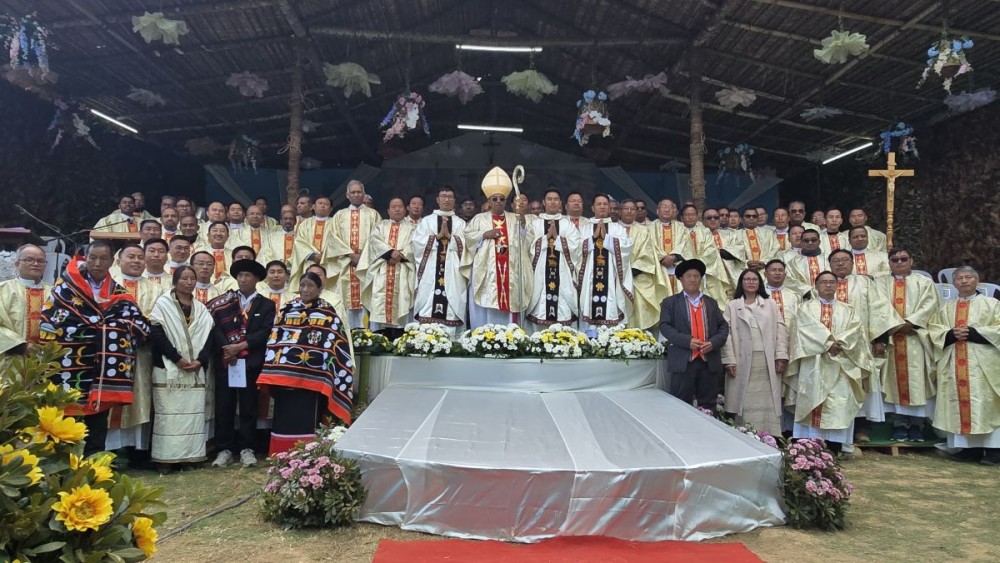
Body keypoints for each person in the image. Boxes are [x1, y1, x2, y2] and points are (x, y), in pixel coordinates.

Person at [40, 242, 151, 456]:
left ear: (111, 262)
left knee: (97, 418)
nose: (97, 263)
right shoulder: (64, 288)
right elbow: (50, 321)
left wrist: (110, 328)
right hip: (69, 365)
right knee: (67, 415)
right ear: (85, 258)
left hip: (102, 369)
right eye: (93, 258)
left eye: (103, 258)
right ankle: (65, 463)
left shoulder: (119, 293)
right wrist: (100, 327)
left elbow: (139, 324)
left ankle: (94, 463)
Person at [258, 272, 355, 455]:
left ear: (320, 289)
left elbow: (335, 345)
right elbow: (275, 340)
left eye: (310, 286)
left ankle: (307, 454)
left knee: (307, 417)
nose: (305, 289)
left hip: (313, 379)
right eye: (302, 285)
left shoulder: (328, 313)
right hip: (284, 377)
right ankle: (281, 453)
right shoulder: (287, 309)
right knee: (284, 418)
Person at [785, 271, 871, 453]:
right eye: (824, 282)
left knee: (838, 402)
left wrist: (840, 344)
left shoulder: (848, 310)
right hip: (813, 363)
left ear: (837, 285)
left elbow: (855, 330)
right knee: (812, 399)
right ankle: (806, 447)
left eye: (832, 282)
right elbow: (803, 330)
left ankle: (834, 446)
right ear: (816, 286)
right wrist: (827, 344)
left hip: (841, 361)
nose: (828, 285)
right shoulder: (805, 308)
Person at [208, 259, 276, 468]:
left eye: (248, 276)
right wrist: (228, 349)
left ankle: (248, 448)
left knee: (248, 407)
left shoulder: (266, 304)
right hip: (227, 361)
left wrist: (242, 345)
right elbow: (215, 327)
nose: (243, 279)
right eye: (240, 276)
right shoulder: (225, 302)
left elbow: (265, 332)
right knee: (224, 406)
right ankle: (224, 449)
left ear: (256, 279)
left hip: (251, 363)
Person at [930, 266, 1000, 465]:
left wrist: (975, 333)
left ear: (977, 280)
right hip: (955, 360)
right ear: (954, 283)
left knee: (987, 404)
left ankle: (995, 450)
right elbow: (934, 330)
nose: (964, 281)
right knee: (959, 403)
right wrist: (950, 334)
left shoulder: (992, 304)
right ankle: (970, 449)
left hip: (984, 363)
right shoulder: (946, 308)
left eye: (968, 277)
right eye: (959, 278)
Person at [147, 265, 215, 469]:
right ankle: (165, 459)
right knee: (168, 417)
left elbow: (210, 337)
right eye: (184, 278)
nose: (189, 282)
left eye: (192, 278)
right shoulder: (163, 305)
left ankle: (189, 457)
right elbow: (156, 335)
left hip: (195, 369)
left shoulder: (201, 308)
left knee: (192, 416)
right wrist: (177, 358)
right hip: (169, 368)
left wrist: (200, 361)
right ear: (175, 281)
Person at [875, 247, 941, 441]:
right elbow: (879, 307)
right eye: (894, 260)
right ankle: (900, 424)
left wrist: (911, 322)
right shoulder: (880, 284)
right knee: (893, 383)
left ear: (911, 261)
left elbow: (930, 306)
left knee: (917, 381)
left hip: (916, 338)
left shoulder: (925, 283)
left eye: (904, 259)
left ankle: (917, 426)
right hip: (891, 339)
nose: (899, 262)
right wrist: (895, 326)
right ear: (889, 263)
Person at [106, 243, 164, 454]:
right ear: (118, 260)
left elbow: (158, 317)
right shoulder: (108, 285)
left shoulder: (156, 288)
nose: (136, 261)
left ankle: (138, 450)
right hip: (111, 354)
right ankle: (110, 449)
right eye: (131, 256)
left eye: (140, 257)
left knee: (140, 398)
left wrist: (137, 331)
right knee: (111, 398)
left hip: (142, 352)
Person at [721, 269, 788, 435]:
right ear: (741, 283)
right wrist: (729, 360)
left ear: (759, 283)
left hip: (766, 359)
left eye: (754, 279)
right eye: (747, 279)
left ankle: (770, 436)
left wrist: (780, 356)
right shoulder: (733, 305)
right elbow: (726, 335)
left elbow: (780, 330)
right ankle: (746, 434)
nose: (751, 282)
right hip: (741, 359)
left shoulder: (770, 304)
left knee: (768, 400)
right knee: (745, 399)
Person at [464, 170, 534, 329]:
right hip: (488, 274)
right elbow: (468, 238)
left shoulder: (514, 218)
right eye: (494, 199)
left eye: (501, 199)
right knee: (487, 310)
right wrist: (484, 235)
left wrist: (522, 220)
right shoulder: (479, 219)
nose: (498, 202)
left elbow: (527, 240)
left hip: (511, 274)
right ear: (488, 201)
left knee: (509, 310)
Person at [659, 259, 729, 410]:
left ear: (701, 279)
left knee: (709, 405)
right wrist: (687, 341)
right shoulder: (670, 302)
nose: (692, 279)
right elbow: (665, 326)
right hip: (684, 361)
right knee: (680, 404)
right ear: (681, 279)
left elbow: (723, 326)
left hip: (708, 361)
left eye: (696, 276)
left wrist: (713, 343)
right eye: (688, 276)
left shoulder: (711, 302)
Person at [323, 181, 381, 328]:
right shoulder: (339, 215)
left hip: (366, 265)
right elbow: (333, 238)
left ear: (364, 194)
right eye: (353, 192)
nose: (356, 195)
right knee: (345, 300)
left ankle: (368, 337)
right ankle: (346, 336)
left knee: (366, 298)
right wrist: (350, 254)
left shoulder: (373, 215)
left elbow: (379, 238)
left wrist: (363, 256)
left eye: (359, 192)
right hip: (345, 265)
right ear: (347, 195)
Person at [413, 186, 469, 335]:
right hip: (431, 270)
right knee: (428, 302)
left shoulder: (460, 223)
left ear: (454, 200)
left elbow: (468, 246)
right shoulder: (427, 221)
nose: (446, 199)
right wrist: (436, 237)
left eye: (450, 196)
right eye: (443, 196)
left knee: (452, 302)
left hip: (453, 271)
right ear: (437, 199)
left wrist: (451, 237)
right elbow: (417, 243)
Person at [357, 196, 417, 332]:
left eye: (400, 206)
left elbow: (415, 245)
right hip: (382, 270)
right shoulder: (380, 226)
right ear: (388, 211)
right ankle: (379, 337)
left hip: (403, 269)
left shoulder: (413, 228)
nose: (397, 209)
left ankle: (400, 338)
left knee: (402, 301)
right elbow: (374, 241)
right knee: (379, 304)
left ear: (405, 209)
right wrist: (389, 253)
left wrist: (399, 256)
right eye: (393, 207)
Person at [525, 189, 581, 331]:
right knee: (540, 305)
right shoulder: (535, 224)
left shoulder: (568, 224)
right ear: (544, 202)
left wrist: (557, 240)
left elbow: (576, 246)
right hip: (540, 274)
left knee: (562, 305)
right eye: (549, 199)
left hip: (562, 274)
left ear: (560, 203)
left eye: (556, 199)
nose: (552, 202)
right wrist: (545, 239)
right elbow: (526, 246)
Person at [578, 194, 633, 331]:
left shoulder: (617, 228)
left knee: (610, 307)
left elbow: (627, 247)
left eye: (605, 204)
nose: (602, 206)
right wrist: (593, 238)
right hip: (590, 280)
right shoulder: (584, 228)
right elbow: (576, 251)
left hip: (611, 279)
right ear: (592, 207)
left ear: (610, 208)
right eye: (599, 204)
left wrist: (607, 239)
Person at [0, 244, 52, 354]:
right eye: (29, 260)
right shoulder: (3, 290)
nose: (36, 264)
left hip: (47, 359)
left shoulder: (55, 292)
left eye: (41, 261)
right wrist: (21, 346)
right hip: (12, 358)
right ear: (17, 264)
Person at [621, 200, 663, 331]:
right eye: (626, 209)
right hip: (617, 278)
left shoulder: (644, 230)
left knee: (640, 311)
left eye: (632, 209)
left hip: (638, 275)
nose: (629, 212)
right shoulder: (613, 228)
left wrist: (634, 269)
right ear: (620, 211)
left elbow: (649, 252)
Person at [679, 204, 730, 308]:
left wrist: (696, 266)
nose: (690, 217)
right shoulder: (678, 231)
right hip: (683, 272)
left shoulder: (705, 232)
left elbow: (710, 252)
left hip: (706, 272)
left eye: (693, 214)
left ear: (697, 217)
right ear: (681, 217)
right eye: (687, 214)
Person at [649, 198, 689, 296]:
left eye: (670, 207)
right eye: (664, 207)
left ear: (674, 211)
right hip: (658, 269)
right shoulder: (648, 228)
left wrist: (674, 257)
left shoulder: (682, 228)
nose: (667, 210)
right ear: (657, 211)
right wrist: (662, 258)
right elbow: (649, 247)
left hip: (678, 268)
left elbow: (686, 246)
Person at [784, 229, 829, 297]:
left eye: (813, 240)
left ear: (819, 242)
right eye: (806, 240)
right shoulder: (793, 263)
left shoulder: (829, 259)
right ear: (801, 243)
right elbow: (788, 280)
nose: (810, 242)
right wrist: (806, 290)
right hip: (805, 299)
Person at [763, 259, 800, 326]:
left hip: (789, 334)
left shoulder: (794, 295)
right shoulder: (758, 295)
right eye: (773, 270)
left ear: (785, 274)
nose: (777, 273)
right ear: (765, 274)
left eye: (780, 270)